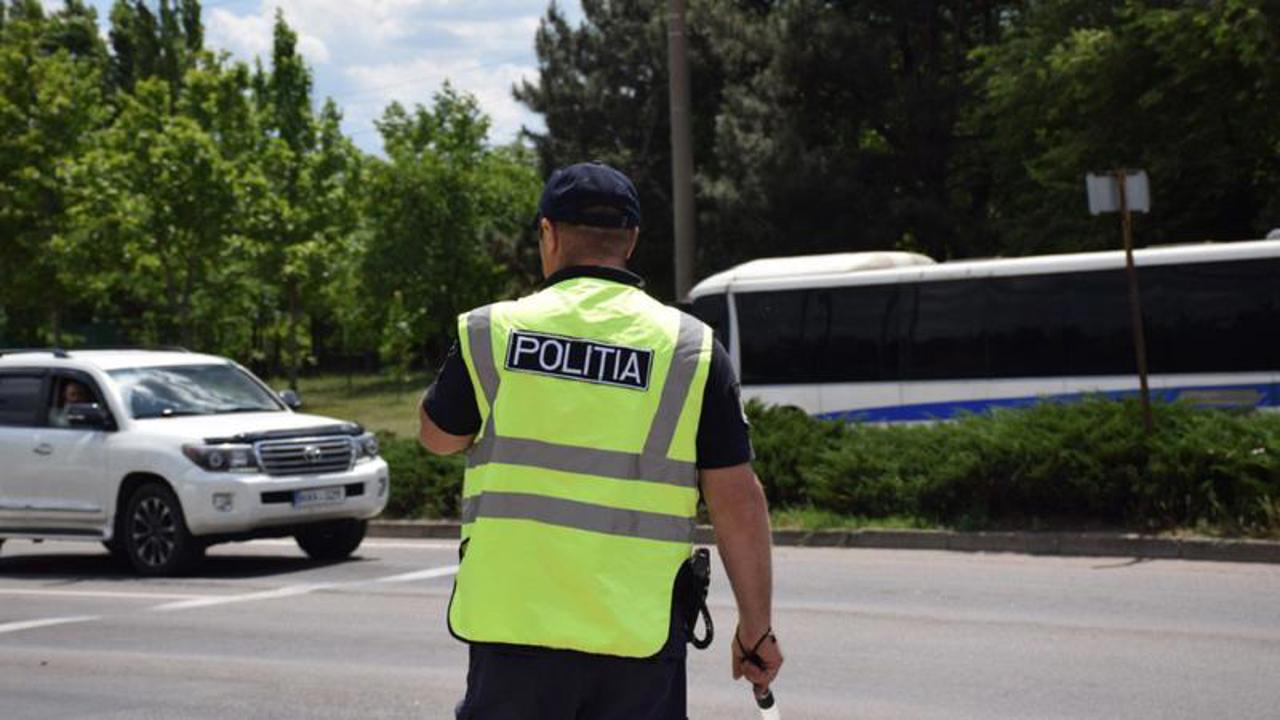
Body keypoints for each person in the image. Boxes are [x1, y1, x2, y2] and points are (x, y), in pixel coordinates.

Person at [419, 161, 783, 719]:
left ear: (548, 233)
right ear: (631, 240)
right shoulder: (691, 350)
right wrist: (755, 633)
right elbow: (738, 499)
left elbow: (438, 438)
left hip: (513, 634)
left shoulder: (492, 332)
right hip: (634, 641)